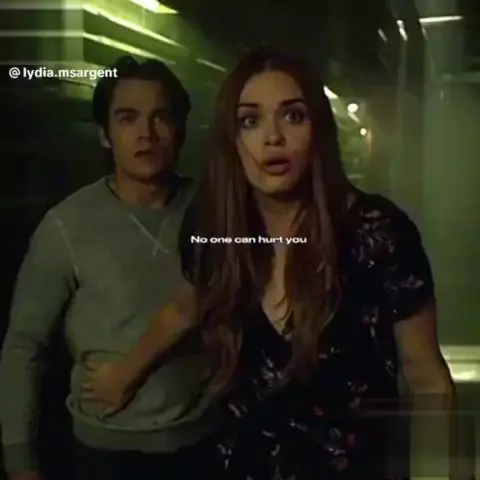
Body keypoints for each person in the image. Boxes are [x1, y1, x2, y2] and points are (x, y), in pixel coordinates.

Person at [79, 49, 455, 479]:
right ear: (231, 140)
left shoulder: (378, 234)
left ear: (318, 129)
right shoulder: (215, 232)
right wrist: (123, 374)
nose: (273, 137)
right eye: (250, 121)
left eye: (293, 116)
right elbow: (187, 305)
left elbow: (427, 380)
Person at [0, 56, 218, 480]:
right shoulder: (67, 226)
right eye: (127, 118)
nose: (146, 133)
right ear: (105, 134)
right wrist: (20, 460)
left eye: (161, 117)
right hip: (104, 453)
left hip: (203, 444)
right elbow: (24, 345)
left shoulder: (214, 211)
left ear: (181, 128)